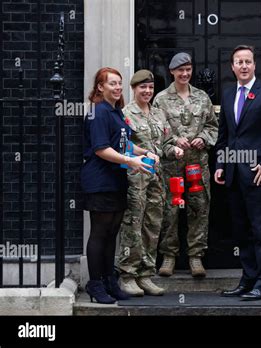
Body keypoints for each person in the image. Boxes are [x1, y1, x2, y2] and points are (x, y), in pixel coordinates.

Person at [215, 45, 261, 300]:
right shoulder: (227, 95)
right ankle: (248, 279)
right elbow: (224, 135)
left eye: (248, 61)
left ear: (254, 65)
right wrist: (221, 165)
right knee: (242, 232)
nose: (244, 66)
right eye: (239, 62)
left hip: (260, 174)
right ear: (232, 67)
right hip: (234, 174)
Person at [81, 67, 155, 304]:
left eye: (119, 83)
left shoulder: (116, 113)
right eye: (111, 83)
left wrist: (144, 152)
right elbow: (101, 149)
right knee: (99, 233)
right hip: (100, 181)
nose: (116, 87)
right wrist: (129, 161)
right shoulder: (98, 112)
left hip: (116, 181)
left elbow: (123, 144)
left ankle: (109, 281)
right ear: (100, 87)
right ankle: (95, 284)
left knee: (112, 233)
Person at [117, 70, 184, 296]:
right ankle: (127, 275)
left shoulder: (158, 114)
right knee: (133, 226)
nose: (147, 91)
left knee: (153, 226)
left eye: (150, 88)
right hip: (135, 180)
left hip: (156, 179)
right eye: (142, 87)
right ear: (134, 89)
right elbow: (121, 147)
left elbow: (164, 143)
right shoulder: (126, 114)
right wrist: (140, 156)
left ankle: (145, 275)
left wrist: (172, 149)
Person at [153, 53, 218, 277]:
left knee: (199, 208)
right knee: (170, 209)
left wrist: (204, 138)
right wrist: (172, 141)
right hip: (172, 165)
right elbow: (156, 132)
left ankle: (196, 257)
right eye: (180, 70)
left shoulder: (202, 98)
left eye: (188, 69)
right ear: (172, 71)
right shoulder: (160, 99)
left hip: (197, 165)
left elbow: (213, 126)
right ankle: (168, 256)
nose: (185, 74)